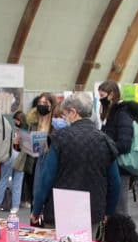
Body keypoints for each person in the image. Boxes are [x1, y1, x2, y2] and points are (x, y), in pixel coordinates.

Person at [31, 92, 121, 233]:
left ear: (73, 112)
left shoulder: (60, 138)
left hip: (60, 211)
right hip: (93, 211)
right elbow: (115, 182)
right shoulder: (106, 141)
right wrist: (108, 212)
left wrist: (36, 210)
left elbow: (46, 178)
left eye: (65, 114)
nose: (65, 118)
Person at [98, 80, 133, 216]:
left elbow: (125, 144)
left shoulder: (122, 114)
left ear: (111, 95)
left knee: (120, 207)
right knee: (113, 207)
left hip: (120, 168)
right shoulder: (110, 114)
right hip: (112, 165)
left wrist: (105, 147)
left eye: (102, 95)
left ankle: (122, 236)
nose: (100, 99)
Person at [0, 113, 24, 212]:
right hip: (21, 157)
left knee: (3, 180)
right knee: (17, 183)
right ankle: (15, 206)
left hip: (8, 155)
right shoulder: (25, 130)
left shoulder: (6, 129)